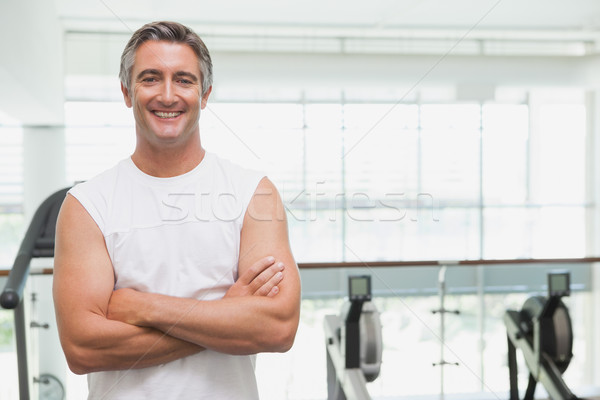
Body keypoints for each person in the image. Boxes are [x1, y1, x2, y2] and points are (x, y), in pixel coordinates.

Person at [53, 21, 301, 399]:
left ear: (204, 94)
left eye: (184, 80)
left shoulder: (254, 193)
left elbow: (278, 328)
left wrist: (144, 307)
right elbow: (83, 348)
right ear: (126, 92)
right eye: (150, 78)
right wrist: (225, 315)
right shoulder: (87, 205)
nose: (167, 95)